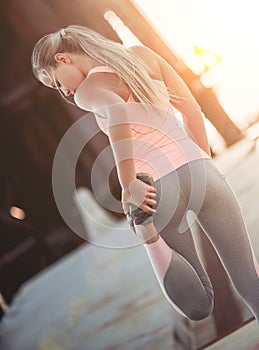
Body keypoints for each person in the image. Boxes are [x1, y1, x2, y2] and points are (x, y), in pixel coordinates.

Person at [31, 25, 259, 322]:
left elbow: (117, 111)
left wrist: (128, 185)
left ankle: (146, 233)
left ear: (63, 59)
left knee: (198, 303)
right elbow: (189, 107)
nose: (65, 92)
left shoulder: (88, 91)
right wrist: (202, 160)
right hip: (202, 173)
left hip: (159, 191)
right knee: (249, 277)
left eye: (57, 83)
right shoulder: (142, 56)